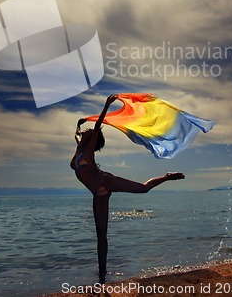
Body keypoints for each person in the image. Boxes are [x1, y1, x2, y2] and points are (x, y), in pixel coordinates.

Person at [70, 94, 185, 283]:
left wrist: (107, 105)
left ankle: (166, 177)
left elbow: (98, 125)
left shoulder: (88, 150)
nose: (88, 131)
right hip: (98, 194)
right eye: (87, 131)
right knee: (101, 235)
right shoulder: (79, 150)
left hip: (105, 182)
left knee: (143, 188)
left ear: (93, 139)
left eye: (90, 132)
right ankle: (102, 275)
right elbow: (77, 133)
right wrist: (79, 123)